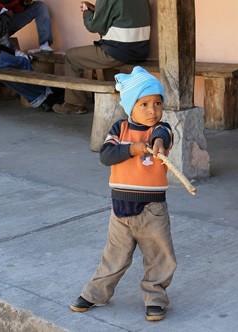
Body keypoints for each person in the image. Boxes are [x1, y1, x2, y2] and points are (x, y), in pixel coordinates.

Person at [69, 66, 176, 322]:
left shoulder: (161, 130)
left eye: (158, 103)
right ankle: (96, 293)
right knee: (114, 257)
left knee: (160, 256)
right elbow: (106, 155)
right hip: (120, 208)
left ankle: (155, 298)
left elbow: (164, 136)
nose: (153, 110)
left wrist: (158, 143)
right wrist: (133, 149)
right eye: (145, 104)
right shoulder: (119, 129)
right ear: (131, 106)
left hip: (152, 208)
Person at [53, 0, 151, 115]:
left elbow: (95, 26)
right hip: (140, 51)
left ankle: (74, 104)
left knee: (71, 56)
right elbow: (124, 16)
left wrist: (87, 13)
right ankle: (115, 99)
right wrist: (97, 10)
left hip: (119, 51)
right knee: (105, 55)